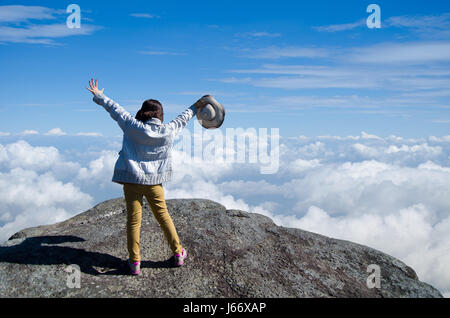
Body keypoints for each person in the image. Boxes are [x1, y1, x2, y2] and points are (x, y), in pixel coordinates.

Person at [86, 79, 209, 275]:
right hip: (154, 183)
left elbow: (115, 109)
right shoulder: (169, 130)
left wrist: (99, 95)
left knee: (134, 221)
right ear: (160, 115)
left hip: (132, 181)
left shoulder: (132, 126)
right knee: (163, 217)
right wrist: (198, 104)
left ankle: (135, 263)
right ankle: (178, 254)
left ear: (143, 112)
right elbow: (185, 117)